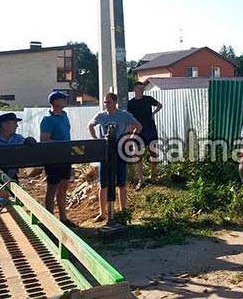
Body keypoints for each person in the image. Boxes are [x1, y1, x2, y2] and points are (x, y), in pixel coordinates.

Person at [88, 92, 142, 222]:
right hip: (105, 152)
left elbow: (138, 126)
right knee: (103, 183)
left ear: (115, 102)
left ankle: (122, 211)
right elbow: (90, 125)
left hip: (119, 150)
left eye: (109, 102)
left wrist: (129, 139)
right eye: (105, 102)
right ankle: (102, 213)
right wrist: (96, 139)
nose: (106, 104)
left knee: (121, 182)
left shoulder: (123, 115)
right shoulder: (101, 116)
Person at [40, 91, 77, 228]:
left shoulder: (65, 115)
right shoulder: (47, 119)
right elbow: (44, 139)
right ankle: (50, 219)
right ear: (55, 102)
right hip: (53, 157)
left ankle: (63, 218)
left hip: (66, 156)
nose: (65, 101)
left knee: (63, 186)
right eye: (63, 99)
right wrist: (60, 145)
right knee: (52, 187)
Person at [127, 81, 163, 190]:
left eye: (142, 88)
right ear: (134, 90)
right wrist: (130, 131)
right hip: (138, 130)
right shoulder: (131, 103)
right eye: (139, 88)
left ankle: (153, 174)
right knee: (138, 155)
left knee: (153, 151)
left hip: (150, 128)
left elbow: (159, 105)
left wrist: (153, 113)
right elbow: (129, 118)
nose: (141, 90)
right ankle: (141, 179)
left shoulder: (148, 99)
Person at [0, 112, 25, 180]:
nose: (17, 126)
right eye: (15, 123)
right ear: (4, 125)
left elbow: (25, 143)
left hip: (12, 175)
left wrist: (29, 141)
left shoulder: (18, 138)